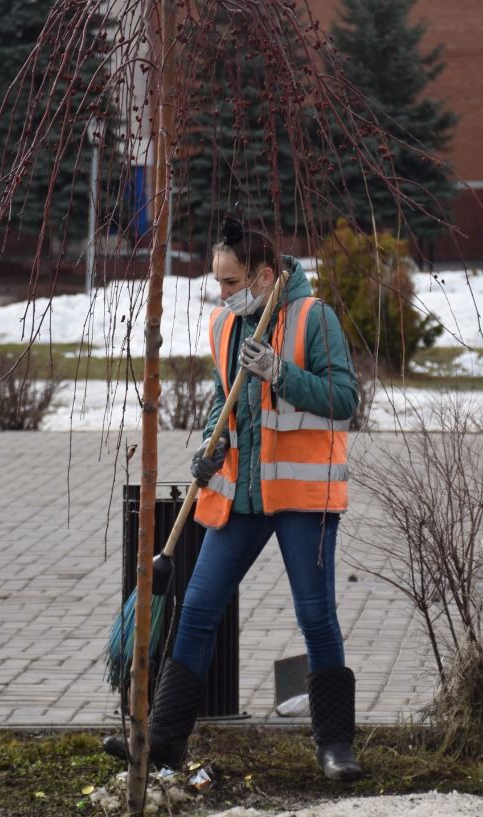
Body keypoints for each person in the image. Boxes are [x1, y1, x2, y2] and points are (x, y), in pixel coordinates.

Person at [104, 219, 361, 781]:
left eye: (231, 280)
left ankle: (335, 745)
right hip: (241, 498)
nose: (221, 293)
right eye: (218, 281)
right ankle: (165, 742)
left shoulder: (313, 318)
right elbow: (223, 401)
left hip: (299, 495)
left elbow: (346, 399)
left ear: (265, 275)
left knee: (316, 617)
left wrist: (281, 373)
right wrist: (207, 448)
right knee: (196, 611)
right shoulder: (224, 326)